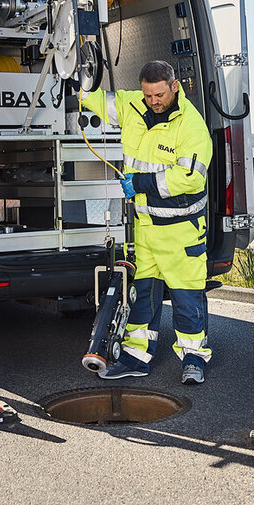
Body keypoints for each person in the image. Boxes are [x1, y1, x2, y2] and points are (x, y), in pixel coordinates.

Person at [79, 60, 213, 384]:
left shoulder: (192, 126)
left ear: (175, 87)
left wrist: (140, 183)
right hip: (144, 229)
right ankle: (135, 357)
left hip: (181, 232)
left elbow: (190, 178)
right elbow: (93, 98)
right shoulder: (131, 105)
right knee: (141, 298)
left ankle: (194, 358)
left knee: (186, 299)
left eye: (160, 94)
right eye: (148, 94)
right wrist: (80, 73)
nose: (154, 100)